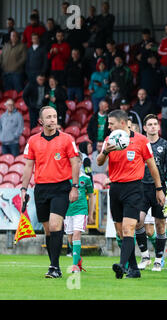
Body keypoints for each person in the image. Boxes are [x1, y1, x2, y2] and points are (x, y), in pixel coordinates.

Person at [97, 109, 165, 279]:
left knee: (128, 228)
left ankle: (121, 265)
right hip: (115, 188)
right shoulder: (109, 140)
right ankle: (134, 269)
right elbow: (99, 162)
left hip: (134, 188)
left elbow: (152, 165)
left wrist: (159, 189)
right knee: (121, 232)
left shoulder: (141, 141)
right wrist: (105, 152)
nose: (109, 127)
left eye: (111, 124)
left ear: (122, 123)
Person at [21, 106, 80, 278]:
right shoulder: (32, 141)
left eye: (54, 116)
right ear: (41, 121)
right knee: (48, 230)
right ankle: (55, 266)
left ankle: (54, 266)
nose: (52, 120)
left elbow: (75, 162)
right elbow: (28, 166)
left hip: (61, 187)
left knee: (55, 225)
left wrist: (74, 186)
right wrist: (24, 188)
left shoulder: (67, 139)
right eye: (48, 117)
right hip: (41, 188)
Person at [136, 114, 167, 272]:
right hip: (141, 188)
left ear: (158, 127)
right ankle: (145, 256)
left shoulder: (166, 146)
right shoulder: (139, 145)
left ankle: (158, 259)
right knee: (138, 222)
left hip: (159, 189)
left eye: (155, 124)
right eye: (149, 124)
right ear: (144, 128)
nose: (153, 126)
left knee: (160, 225)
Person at [64, 154, 95, 273]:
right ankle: (78, 259)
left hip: (81, 210)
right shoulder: (66, 178)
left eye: (77, 162)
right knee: (71, 239)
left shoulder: (86, 178)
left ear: (81, 163)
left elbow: (91, 196)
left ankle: (75, 266)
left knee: (77, 234)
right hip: (67, 211)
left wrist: (91, 214)